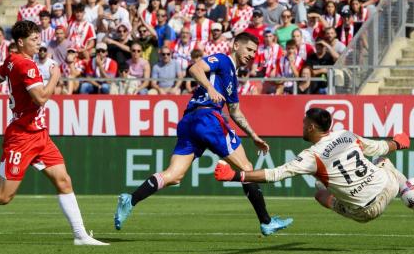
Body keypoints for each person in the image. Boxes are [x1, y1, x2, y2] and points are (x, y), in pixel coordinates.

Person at [0, 21, 108, 245]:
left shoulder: (12, 60)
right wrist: (55, 75)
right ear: (21, 42)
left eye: (38, 38)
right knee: (3, 196)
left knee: (64, 181)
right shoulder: (26, 65)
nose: (38, 43)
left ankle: (80, 235)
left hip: (39, 134)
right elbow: (41, 98)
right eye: (34, 39)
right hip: (22, 137)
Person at [114, 32, 293, 235]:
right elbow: (195, 68)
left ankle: (130, 199)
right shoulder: (224, 60)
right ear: (236, 46)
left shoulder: (232, 78)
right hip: (207, 119)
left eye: (254, 51)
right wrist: (209, 87)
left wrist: (253, 135)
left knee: (174, 176)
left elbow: (235, 111)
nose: (252, 54)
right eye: (249, 49)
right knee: (246, 168)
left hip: (190, 122)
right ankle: (266, 222)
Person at [214, 108, 414, 225]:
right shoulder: (346, 134)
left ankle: (411, 202)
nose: (303, 127)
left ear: (312, 127)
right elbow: (380, 147)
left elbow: (275, 174)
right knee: (384, 163)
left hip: (366, 211)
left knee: (320, 193)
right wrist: (398, 143)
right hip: (387, 186)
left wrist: (236, 175)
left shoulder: (311, 156)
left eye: (304, 124)